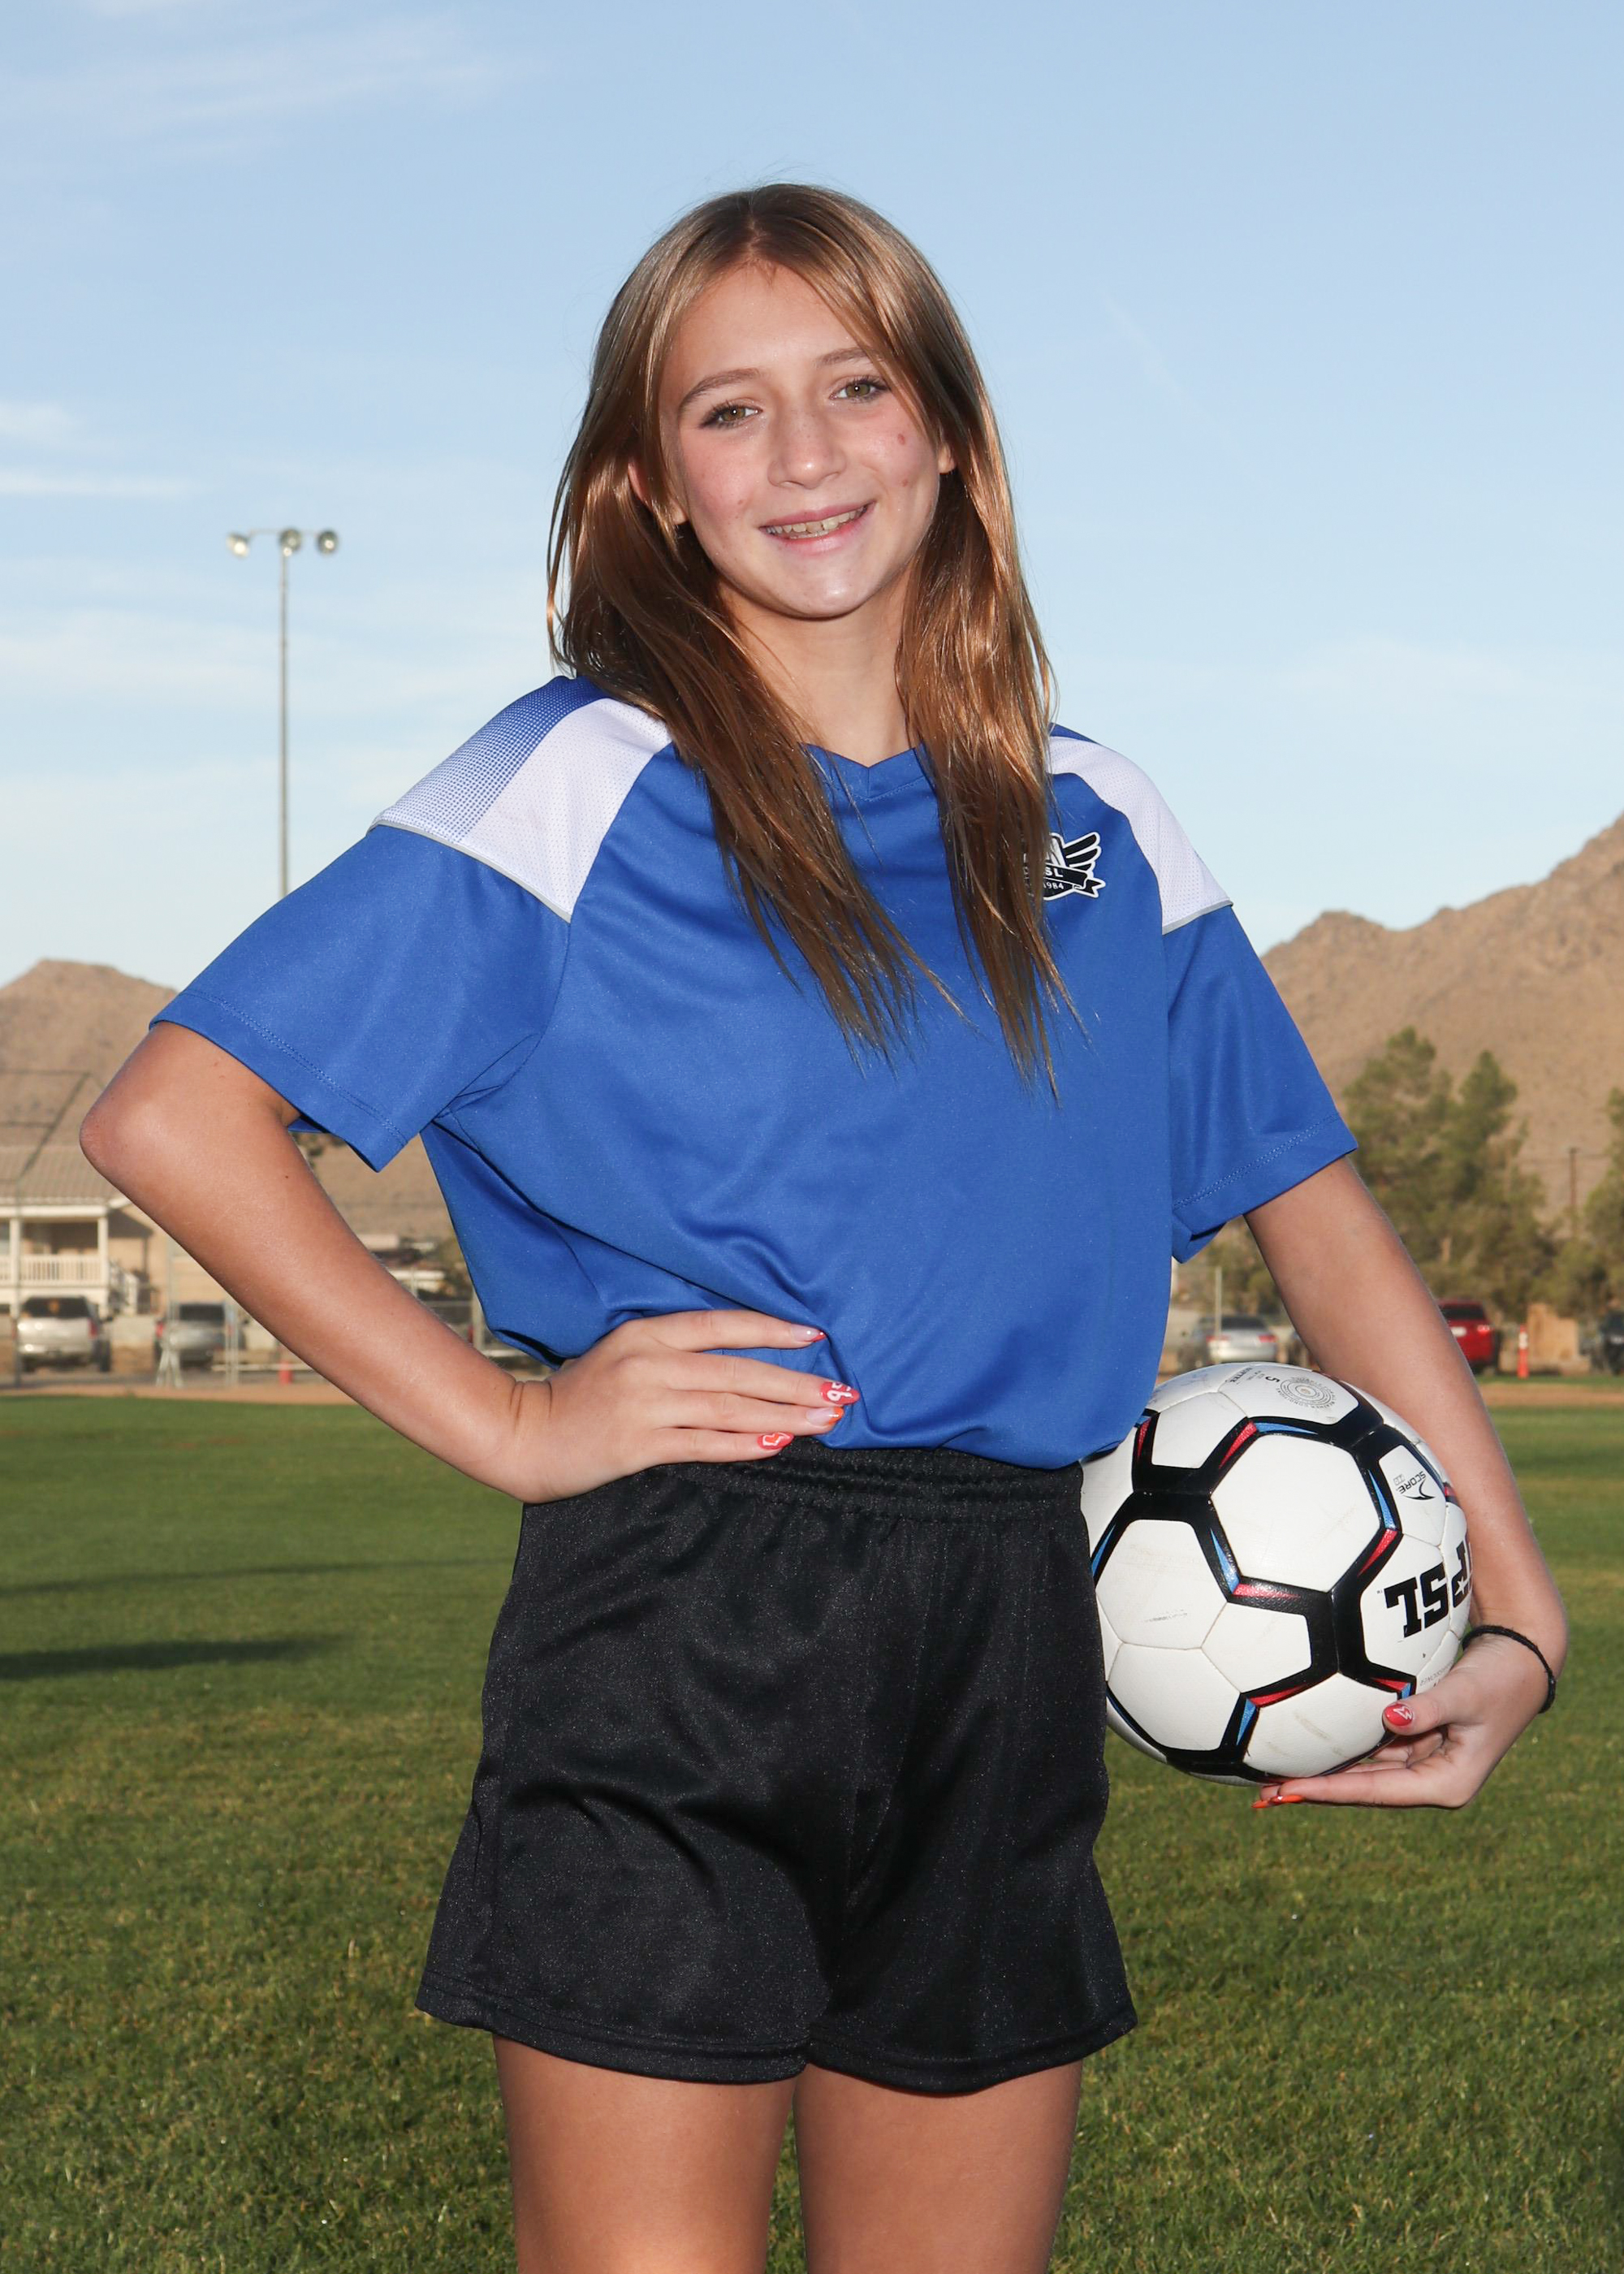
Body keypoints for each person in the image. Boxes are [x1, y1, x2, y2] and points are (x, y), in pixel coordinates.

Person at [81, 184, 1567, 2274]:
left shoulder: (1095, 820)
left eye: (854, 387)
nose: (802, 453)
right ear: (648, 484)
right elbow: (176, 1114)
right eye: (728, 409)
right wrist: (513, 1423)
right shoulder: (580, 779)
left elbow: (1312, 1212)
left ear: (943, 429)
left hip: (1010, 1617)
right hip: (684, 1624)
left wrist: (1520, 1611)